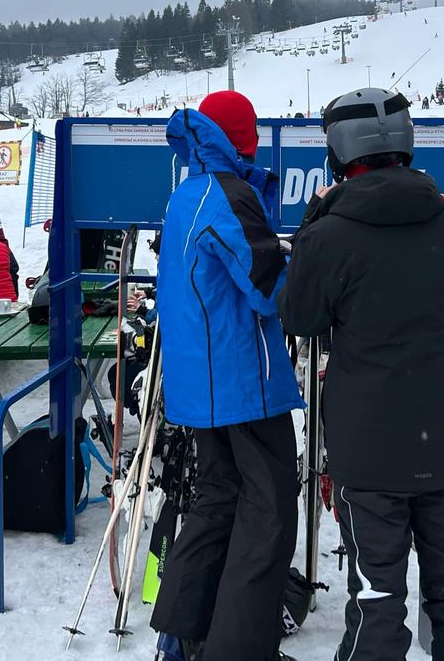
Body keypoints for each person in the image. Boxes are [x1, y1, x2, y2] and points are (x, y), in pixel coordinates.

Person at [278, 87, 444, 661]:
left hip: (371, 448)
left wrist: (313, 224)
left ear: (338, 154)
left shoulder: (329, 236)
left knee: (377, 603)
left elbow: (299, 317)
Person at [150, 91, 301, 661]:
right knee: (268, 519)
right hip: (243, 386)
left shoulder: (189, 191)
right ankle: (238, 651)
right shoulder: (228, 195)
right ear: (243, 138)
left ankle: (182, 636)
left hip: (203, 387)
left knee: (219, 503)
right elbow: (269, 289)